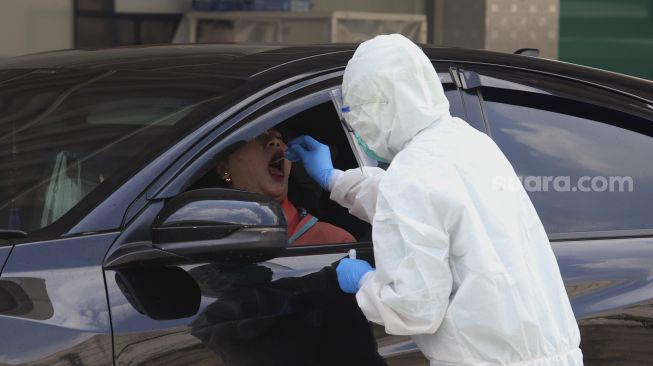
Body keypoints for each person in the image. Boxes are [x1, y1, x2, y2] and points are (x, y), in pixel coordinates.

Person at [286, 34, 583, 365]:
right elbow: (422, 205)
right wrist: (334, 179)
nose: (356, 125)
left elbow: (415, 309)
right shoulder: (468, 143)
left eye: (355, 112)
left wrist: (365, 282)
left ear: (385, 104)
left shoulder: (414, 173)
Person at [215, 128, 355, 246]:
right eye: (256, 135)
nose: (275, 141)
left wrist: (333, 178)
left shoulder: (333, 241)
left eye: (279, 137)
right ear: (223, 169)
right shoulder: (207, 236)